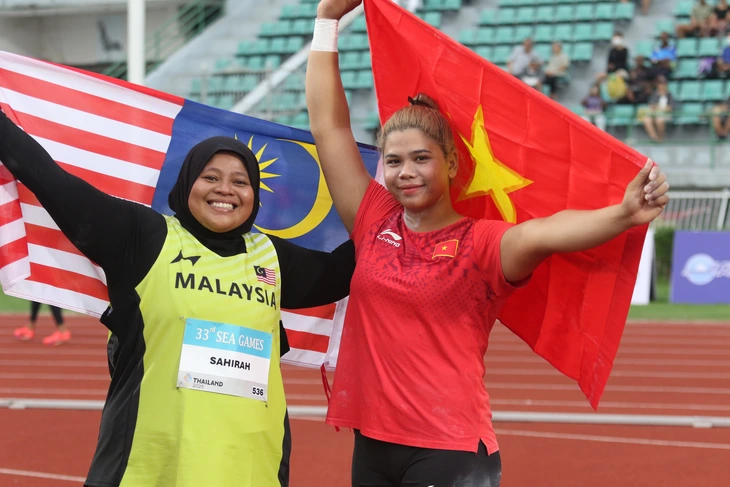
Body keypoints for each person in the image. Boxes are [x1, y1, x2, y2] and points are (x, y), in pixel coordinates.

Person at [306, 1, 670, 486]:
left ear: (452, 164)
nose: (406, 172)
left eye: (421, 158)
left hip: (449, 449)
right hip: (371, 443)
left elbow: (546, 232)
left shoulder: (481, 243)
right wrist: (326, 21)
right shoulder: (373, 217)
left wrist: (623, 214)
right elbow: (328, 127)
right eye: (394, 162)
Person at [0, 108, 358, 487]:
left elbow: (346, 268)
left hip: (251, 466)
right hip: (150, 466)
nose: (225, 190)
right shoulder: (142, 237)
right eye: (211, 177)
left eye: (240, 181)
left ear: (255, 195)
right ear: (187, 183)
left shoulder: (271, 257)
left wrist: (394, 204)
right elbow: (53, 181)